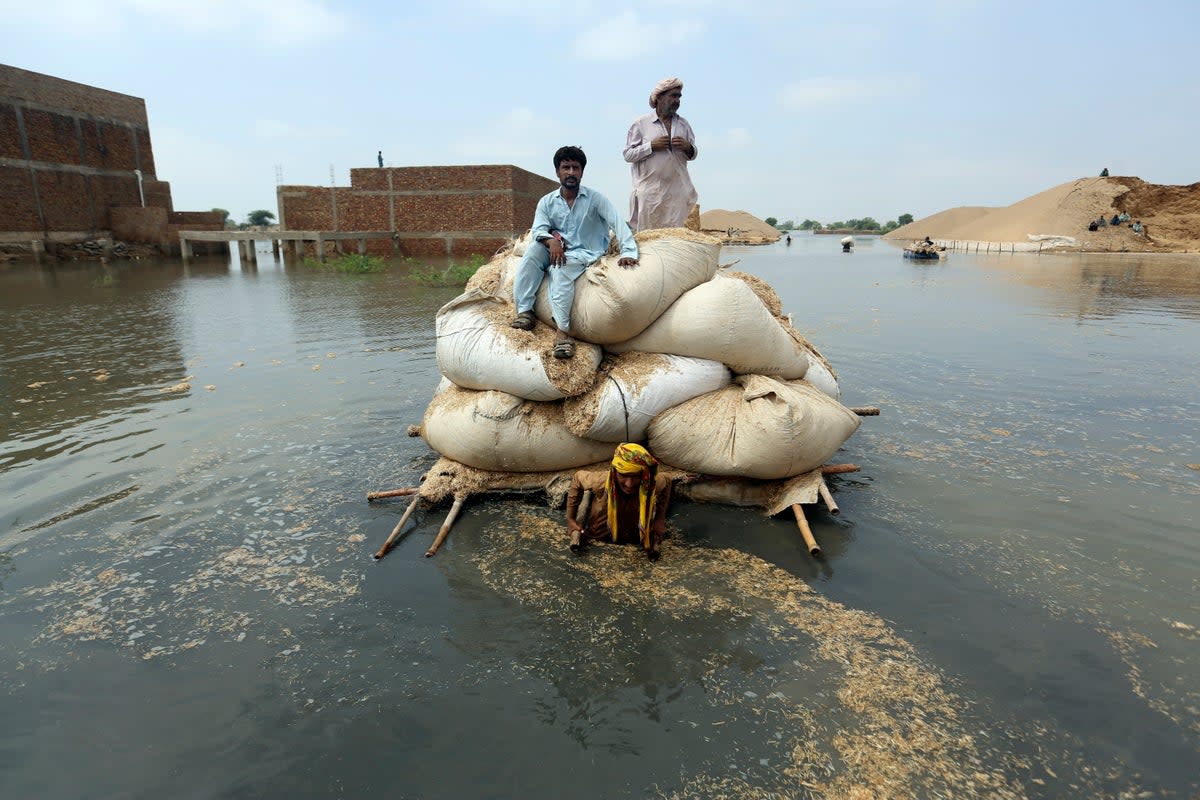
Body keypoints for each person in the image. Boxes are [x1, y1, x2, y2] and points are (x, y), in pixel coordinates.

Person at [510, 146, 638, 359]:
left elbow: (618, 223)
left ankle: (562, 333)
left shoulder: (595, 199)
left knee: (560, 269)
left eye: (575, 168)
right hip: (556, 248)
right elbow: (538, 229)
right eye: (566, 167)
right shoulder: (547, 201)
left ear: (581, 172)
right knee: (532, 252)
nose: (570, 172)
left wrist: (629, 252)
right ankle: (525, 311)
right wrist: (551, 241)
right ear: (558, 172)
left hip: (586, 253)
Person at [566, 443, 671, 560]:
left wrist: (659, 519)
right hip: (598, 537)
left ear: (643, 474)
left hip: (634, 540)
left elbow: (667, 480)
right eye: (623, 476)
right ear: (614, 472)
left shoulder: (650, 485)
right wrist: (570, 519)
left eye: (635, 476)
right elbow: (577, 478)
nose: (629, 484)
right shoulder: (600, 482)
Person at [623, 77, 699, 232]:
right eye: (673, 95)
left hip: (678, 192)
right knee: (648, 238)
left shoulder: (684, 125)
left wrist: (688, 147)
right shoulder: (641, 124)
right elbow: (628, 155)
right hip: (650, 194)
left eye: (679, 96)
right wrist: (651, 146)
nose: (677, 100)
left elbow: (693, 154)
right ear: (659, 97)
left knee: (677, 238)